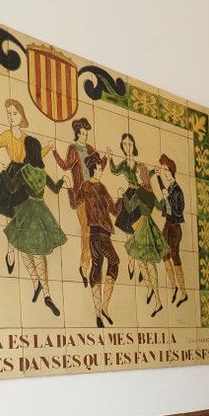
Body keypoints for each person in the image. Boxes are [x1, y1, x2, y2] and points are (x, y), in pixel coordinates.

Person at [0, 135, 67, 316]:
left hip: (27, 210)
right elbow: (56, 189)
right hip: (41, 210)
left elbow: (12, 187)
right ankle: (45, 292)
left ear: (28, 151)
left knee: (24, 248)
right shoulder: (43, 173)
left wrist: (3, 173)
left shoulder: (24, 171)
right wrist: (62, 181)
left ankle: (37, 282)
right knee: (38, 252)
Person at [0, 99, 37, 272]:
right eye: (9, 113)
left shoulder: (27, 139)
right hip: (11, 172)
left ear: (22, 116)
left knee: (22, 216)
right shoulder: (7, 134)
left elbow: (37, 154)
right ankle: (11, 250)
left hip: (24, 175)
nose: (11, 117)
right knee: (9, 215)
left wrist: (49, 148)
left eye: (15, 113)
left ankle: (16, 249)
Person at [67, 151, 120, 327]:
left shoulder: (95, 187)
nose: (101, 170)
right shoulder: (90, 186)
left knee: (97, 267)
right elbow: (75, 204)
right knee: (114, 261)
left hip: (99, 234)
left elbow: (113, 210)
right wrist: (69, 189)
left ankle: (98, 313)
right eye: (98, 168)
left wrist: (121, 198)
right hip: (99, 234)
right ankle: (104, 307)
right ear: (92, 169)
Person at [53, 118, 98, 286]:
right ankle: (84, 266)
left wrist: (107, 158)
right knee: (86, 230)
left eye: (87, 134)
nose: (86, 137)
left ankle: (88, 265)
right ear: (78, 134)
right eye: (83, 134)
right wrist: (54, 152)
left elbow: (99, 167)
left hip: (93, 194)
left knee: (94, 231)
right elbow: (65, 166)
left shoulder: (91, 149)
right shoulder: (73, 149)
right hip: (81, 195)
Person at [107, 132, 158, 279]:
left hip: (140, 196)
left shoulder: (139, 165)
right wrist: (110, 158)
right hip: (129, 196)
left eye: (129, 144)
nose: (127, 146)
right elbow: (114, 171)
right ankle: (131, 262)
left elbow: (146, 176)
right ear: (122, 146)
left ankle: (141, 263)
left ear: (134, 145)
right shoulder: (124, 164)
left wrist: (154, 171)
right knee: (129, 234)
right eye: (124, 144)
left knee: (140, 234)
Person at [154, 154, 188, 307]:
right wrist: (158, 177)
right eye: (163, 170)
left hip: (175, 227)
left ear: (172, 171)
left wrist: (168, 198)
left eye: (166, 170)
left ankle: (183, 292)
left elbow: (179, 210)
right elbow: (163, 191)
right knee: (164, 255)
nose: (164, 172)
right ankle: (174, 286)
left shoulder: (177, 190)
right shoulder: (169, 188)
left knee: (175, 256)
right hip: (167, 225)